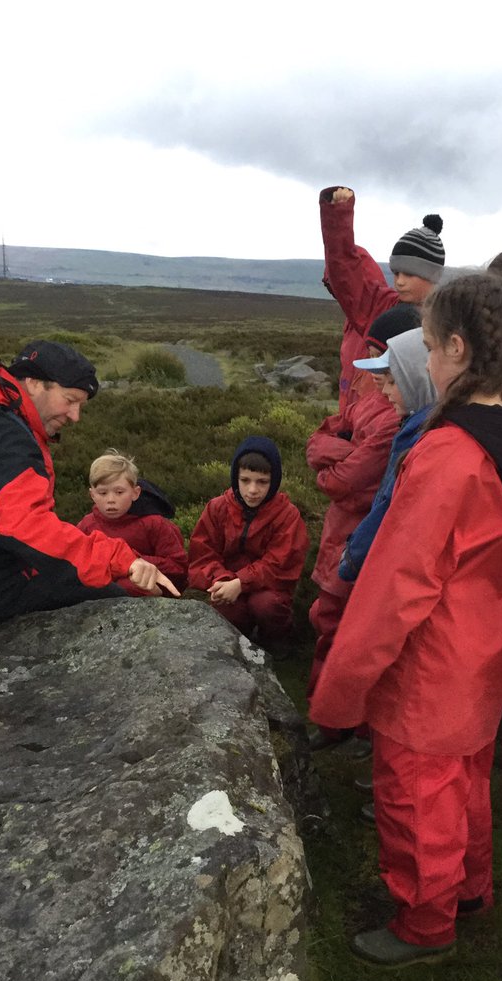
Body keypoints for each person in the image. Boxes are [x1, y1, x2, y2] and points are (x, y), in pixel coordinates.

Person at [309, 272, 502, 967]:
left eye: (427, 345)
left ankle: (426, 923)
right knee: (463, 780)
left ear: (458, 348)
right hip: (489, 648)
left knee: (414, 794)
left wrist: (341, 687)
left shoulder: (448, 456)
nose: (423, 361)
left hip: (433, 662)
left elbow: (397, 587)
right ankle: (469, 889)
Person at [0, 341, 179, 629]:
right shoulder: (5, 436)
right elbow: (25, 526)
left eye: (80, 405)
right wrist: (120, 560)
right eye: (69, 399)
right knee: (109, 599)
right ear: (35, 383)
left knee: (79, 576)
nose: (75, 416)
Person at [305, 306, 420, 750]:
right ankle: (331, 718)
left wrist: (338, 464)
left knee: (360, 636)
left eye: (382, 363)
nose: (374, 375)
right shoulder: (370, 397)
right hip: (342, 537)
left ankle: (357, 725)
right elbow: (321, 440)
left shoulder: (396, 416)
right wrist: (342, 452)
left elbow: (346, 481)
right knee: (329, 622)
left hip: (365, 542)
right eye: (370, 359)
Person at [319, 184, 444, 413]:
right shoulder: (381, 305)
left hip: (411, 426)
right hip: (366, 419)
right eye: (396, 273)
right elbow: (345, 273)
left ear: (432, 276)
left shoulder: (448, 320)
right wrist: (338, 213)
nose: (400, 281)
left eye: (409, 274)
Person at [188, 436, 308, 651]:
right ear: (236, 477)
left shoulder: (287, 515)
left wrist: (241, 583)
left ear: (274, 481)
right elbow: (203, 555)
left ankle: (277, 640)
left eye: (262, 482)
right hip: (227, 581)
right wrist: (223, 581)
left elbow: (279, 563)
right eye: (245, 480)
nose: (252, 490)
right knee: (227, 608)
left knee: (266, 605)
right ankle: (240, 642)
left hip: (269, 588)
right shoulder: (217, 508)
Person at [337, 326, 437, 583]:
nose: (384, 391)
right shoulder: (412, 428)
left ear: (416, 377)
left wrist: (352, 557)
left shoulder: (421, 439)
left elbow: (389, 509)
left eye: (394, 381)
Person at [77, 449, 188, 595]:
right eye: (103, 493)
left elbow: (179, 568)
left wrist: (137, 563)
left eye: (119, 492)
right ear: (92, 495)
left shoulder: (155, 523)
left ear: (135, 493)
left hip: (152, 601)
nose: (111, 499)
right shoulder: (86, 525)